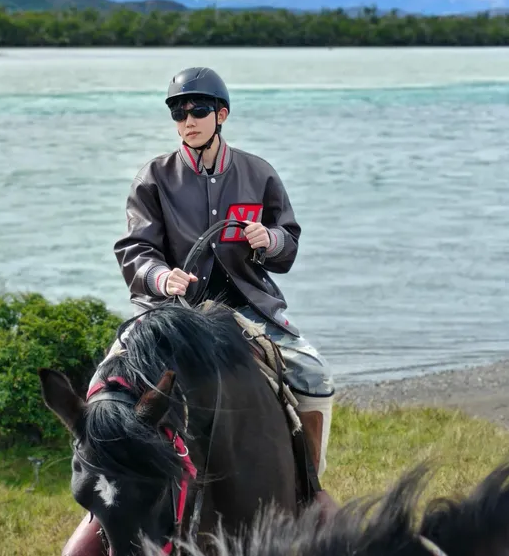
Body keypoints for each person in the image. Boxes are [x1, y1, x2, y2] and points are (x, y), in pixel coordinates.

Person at [63, 67, 336, 556]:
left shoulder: (259, 172)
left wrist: (268, 240)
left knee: (315, 377)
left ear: (221, 115)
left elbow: (288, 242)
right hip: (169, 314)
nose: (186, 119)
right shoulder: (153, 176)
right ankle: (103, 503)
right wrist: (159, 277)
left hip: (245, 309)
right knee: (105, 387)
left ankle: (307, 486)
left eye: (197, 110)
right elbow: (133, 249)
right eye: (177, 111)